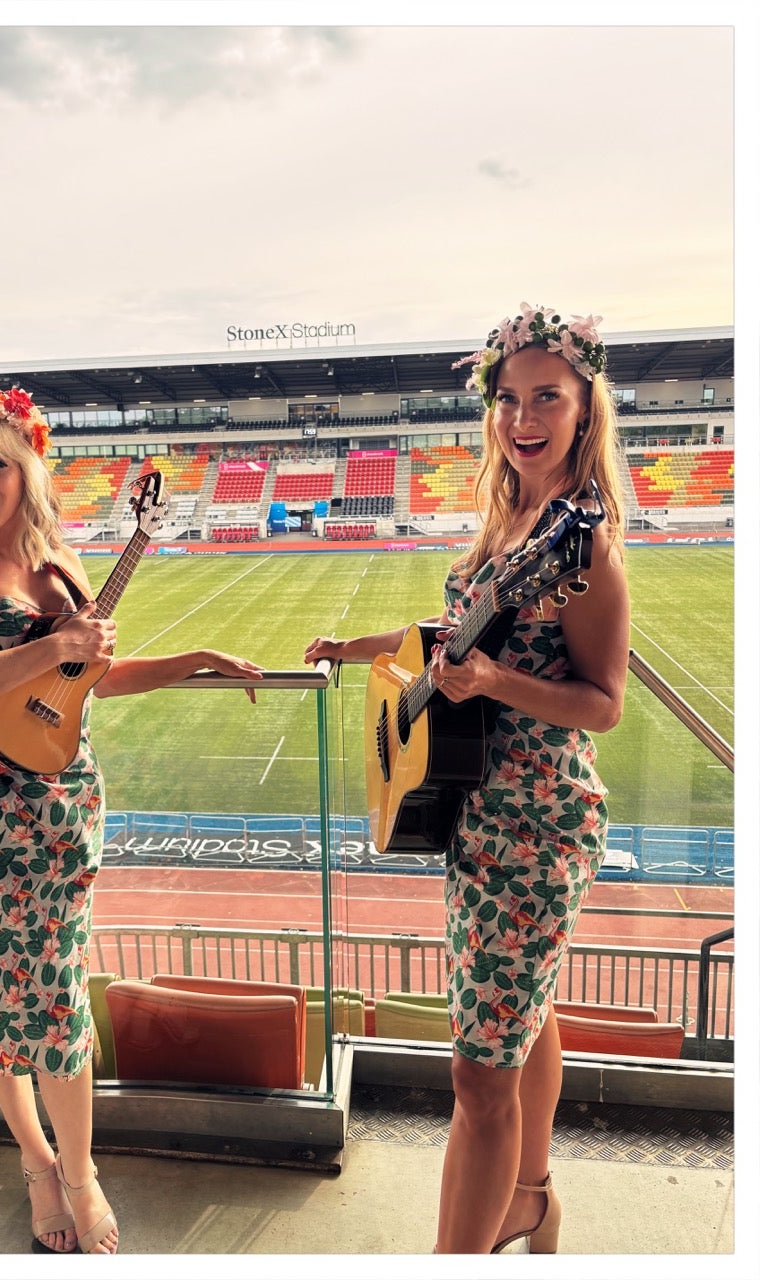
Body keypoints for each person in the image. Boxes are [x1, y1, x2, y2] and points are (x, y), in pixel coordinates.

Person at [0, 384, 262, 1255]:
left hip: (63, 813)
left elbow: (87, 679)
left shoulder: (62, 567)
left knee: (54, 991)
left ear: (29, 471)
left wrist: (192, 660)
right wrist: (52, 644)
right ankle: (44, 1166)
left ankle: (78, 1169)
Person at [304, 305, 629, 1254]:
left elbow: (603, 703)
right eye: (509, 399)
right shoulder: (510, 521)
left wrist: (493, 683)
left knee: (479, 1078)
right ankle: (531, 1199)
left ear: (584, 409)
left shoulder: (585, 548)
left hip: (537, 829)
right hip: (476, 816)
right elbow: (450, 638)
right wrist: (360, 648)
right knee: (525, 1020)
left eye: (547, 398)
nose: (523, 418)